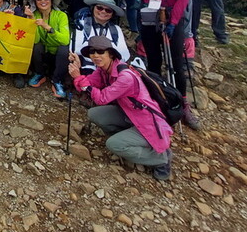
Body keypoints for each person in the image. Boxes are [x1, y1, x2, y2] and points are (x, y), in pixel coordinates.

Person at [68, 35, 173, 181]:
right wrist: (79, 74)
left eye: (100, 51)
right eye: (92, 52)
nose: (95, 56)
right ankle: (126, 139)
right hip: (130, 114)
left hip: (146, 122)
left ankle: (161, 158)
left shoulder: (125, 77)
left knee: (112, 145)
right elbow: (86, 85)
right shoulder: (104, 69)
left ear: (110, 54)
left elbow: (101, 98)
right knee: (94, 114)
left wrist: (79, 78)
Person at [132, 0, 200, 129]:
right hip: (148, 17)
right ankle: (157, 99)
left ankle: (182, 103)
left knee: (177, 63)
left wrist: (174, 22)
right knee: (153, 61)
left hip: (172, 17)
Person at [24, 0, 70, 98]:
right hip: (44, 54)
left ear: (51, 0)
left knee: (64, 49)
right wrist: (31, 20)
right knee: (36, 46)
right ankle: (40, 73)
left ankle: (57, 80)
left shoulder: (61, 16)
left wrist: (48, 28)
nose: (43, 1)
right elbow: (36, 40)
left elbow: (65, 40)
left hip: (58, 56)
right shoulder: (36, 16)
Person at [70, 0, 132, 73]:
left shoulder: (116, 29)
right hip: (86, 67)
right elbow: (75, 50)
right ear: (93, 8)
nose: (103, 11)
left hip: (110, 69)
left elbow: (123, 54)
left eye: (108, 10)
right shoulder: (80, 25)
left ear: (112, 14)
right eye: (99, 8)